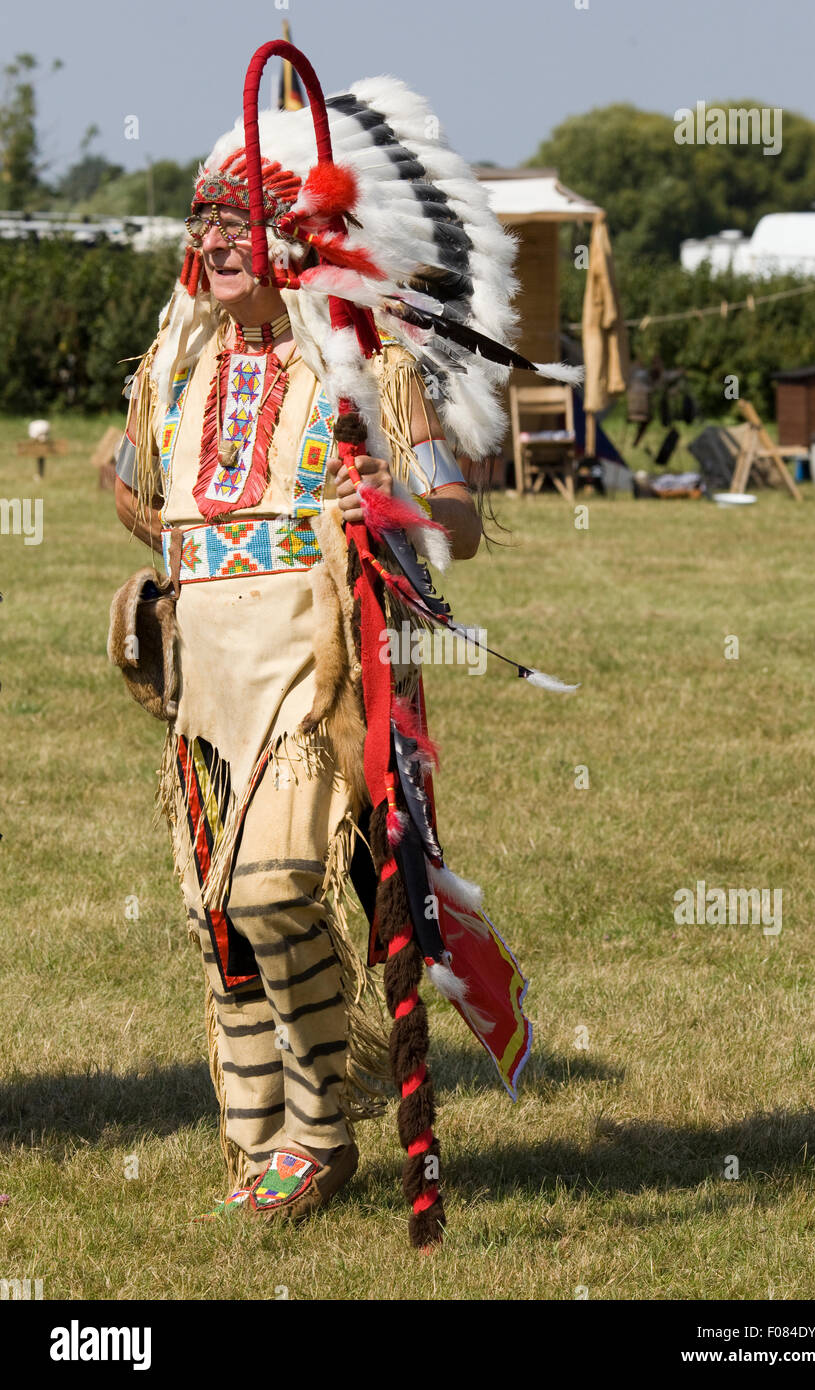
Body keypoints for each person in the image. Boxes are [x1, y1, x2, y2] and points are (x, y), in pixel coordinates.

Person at [111, 42, 573, 1240]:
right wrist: (170, 552)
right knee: (223, 919)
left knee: (273, 891)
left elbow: (458, 526)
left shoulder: (369, 368)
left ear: (304, 242)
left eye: (243, 226)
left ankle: (320, 1128)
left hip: (318, 675)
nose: (215, 244)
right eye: (204, 222)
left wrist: (391, 499)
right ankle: (258, 1133)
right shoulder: (175, 363)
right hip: (204, 677)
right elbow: (133, 489)